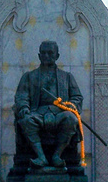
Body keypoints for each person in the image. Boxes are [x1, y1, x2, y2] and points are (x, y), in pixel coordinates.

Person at [14, 40, 83, 169]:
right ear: (39, 56)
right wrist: (24, 107)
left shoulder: (67, 77)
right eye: (44, 53)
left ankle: (57, 155)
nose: (47, 56)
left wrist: (70, 106)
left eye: (50, 53)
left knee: (71, 118)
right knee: (26, 120)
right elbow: (21, 96)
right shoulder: (29, 77)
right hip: (37, 113)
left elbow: (77, 97)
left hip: (60, 114)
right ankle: (41, 156)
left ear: (57, 56)